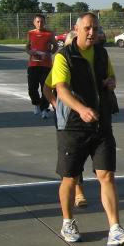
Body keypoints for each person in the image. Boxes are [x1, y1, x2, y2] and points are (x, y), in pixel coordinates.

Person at [51, 12, 124, 246]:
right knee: (70, 178)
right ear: (77, 29)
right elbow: (61, 89)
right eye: (88, 28)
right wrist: (81, 109)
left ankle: (115, 229)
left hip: (101, 123)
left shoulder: (101, 53)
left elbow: (111, 77)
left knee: (107, 175)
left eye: (95, 28)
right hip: (73, 126)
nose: (92, 33)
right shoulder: (64, 56)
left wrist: (110, 83)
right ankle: (68, 222)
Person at [43, 31, 88, 208]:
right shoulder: (61, 62)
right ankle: (78, 191)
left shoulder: (88, 61)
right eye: (70, 45)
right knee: (71, 156)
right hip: (67, 119)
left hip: (86, 115)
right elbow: (47, 88)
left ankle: (76, 188)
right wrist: (57, 106)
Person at [25, 14, 57, 119]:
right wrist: (30, 52)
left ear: (44, 22)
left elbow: (55, 46)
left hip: (46, 65)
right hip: (33, 65)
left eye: (42, 22)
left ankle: (44, 109)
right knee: (32, 88)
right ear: (34, 23)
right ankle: (36, 104)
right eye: (38, 21)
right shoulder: (30, 33)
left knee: (45, 88)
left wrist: (49, 53)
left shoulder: (49, 33)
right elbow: (27, 47)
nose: (40, 24)